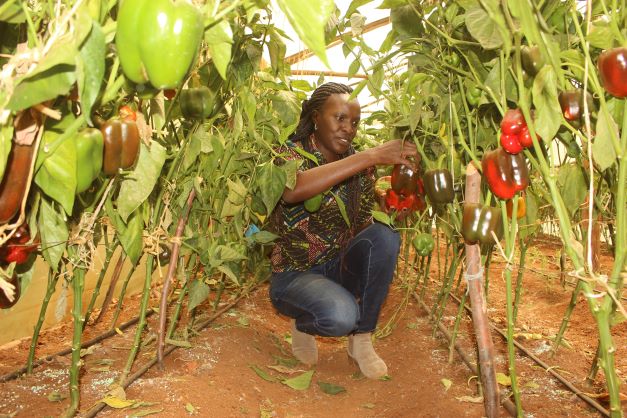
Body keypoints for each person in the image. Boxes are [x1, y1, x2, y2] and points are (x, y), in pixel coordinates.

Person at [268, 82, 418, 379]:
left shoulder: (361, 167)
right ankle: (303, 323)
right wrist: (370, 156)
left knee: (385, 237)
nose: (348, 129)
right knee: (340, 316)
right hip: (294, 275)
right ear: (315, 118)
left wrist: (396, 205)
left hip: (337, 267)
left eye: (354, 122)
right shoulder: (288, 153)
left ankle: (362, 340)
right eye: (339, 118)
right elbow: (292, 189)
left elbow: (363, 225)